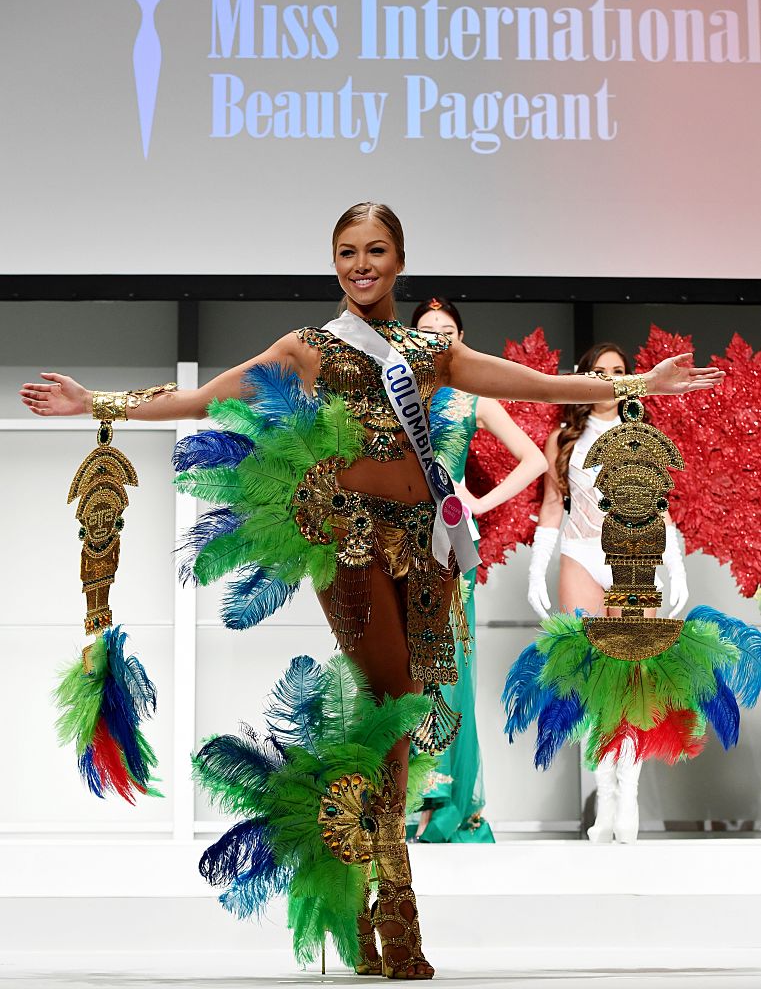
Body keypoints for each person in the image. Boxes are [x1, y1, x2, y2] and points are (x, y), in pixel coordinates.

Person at [20, 206, 722, 977]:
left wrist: (638, 388)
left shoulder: (431, 349)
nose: (361, 264)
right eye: (347, 252)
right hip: (344, 536)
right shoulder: (308, 347)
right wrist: (99, 404)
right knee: (389, 694)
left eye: (375, 251)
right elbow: (210, 396)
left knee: (401, 711)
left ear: (398, 261)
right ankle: (397, 908)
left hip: (425, 544)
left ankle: (354, 889)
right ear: (334, 263)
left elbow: (534, 382)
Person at [528, 342, 690, 844]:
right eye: (600, 373)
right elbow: (554, 504)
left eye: (619, 373)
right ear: (584, 377)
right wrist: (537, 568)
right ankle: (605, 794)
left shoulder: (642, 437)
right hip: (579, 553)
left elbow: (659, 505)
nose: (609, 381)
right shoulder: (564, 439)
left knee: (633, 675)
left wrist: (676, 563)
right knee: (590, 676)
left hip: (635, 554)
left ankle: (630, 792)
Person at [409, 297, 548, 844]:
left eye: (447, 330)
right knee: (400, 666)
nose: (437, 337)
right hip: (396, 538)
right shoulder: (390, 394)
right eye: (426, 330)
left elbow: (534, 459)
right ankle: (404, 795)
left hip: (448, 540)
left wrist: (478, 504)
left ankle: (443, 803)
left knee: (451, 666)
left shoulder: (473, 396)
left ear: (461, 338)